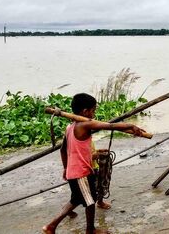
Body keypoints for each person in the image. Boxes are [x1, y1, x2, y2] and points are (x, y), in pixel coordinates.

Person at [43, 93, 146, 234]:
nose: (94, 113)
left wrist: (66, 168)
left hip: (75, 172)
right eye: (93, 110)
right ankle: (90, 230)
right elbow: (110, 126)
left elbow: (62, 150)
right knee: (90, 202)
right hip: (81, 173)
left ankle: (51, 226)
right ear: (85, 111)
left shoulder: (70, 128)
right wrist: (131, 125)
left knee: (76, 200)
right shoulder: (85, 124)